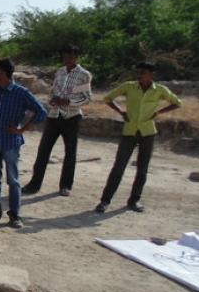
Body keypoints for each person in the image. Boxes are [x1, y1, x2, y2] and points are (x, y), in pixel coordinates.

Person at [95, 62, 182, 213]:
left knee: (142, 169)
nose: (139, 74)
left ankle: (134, 200)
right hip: (129, 131)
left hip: (148, 132)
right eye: (139, 72)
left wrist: (158, 113)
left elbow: (177, 103)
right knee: (118, 167)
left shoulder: (159, 90)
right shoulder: (129, 86)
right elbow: (108, 98)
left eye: (143, 72)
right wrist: (121, 112)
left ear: (151, 74)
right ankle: (105, 201)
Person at [0, 58, 47, 228]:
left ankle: (15, 214)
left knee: (13, 180)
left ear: (3, 73)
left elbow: (41, 112)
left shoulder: (21, 92)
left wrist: (22, 129)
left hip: (10, 142)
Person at [22, 45, 92, 196]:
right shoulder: (60, 72)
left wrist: (68, 102)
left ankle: (65, 185)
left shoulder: (83, 74)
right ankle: (34, 184)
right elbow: (53, 91)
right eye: (65, 57)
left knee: (70, 152)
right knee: (43, 151)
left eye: (71, 57)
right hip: (54, 115)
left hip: (71, 116)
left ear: (76, 57)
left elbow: (86, 97)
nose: (67, 60)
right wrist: (53, 100)